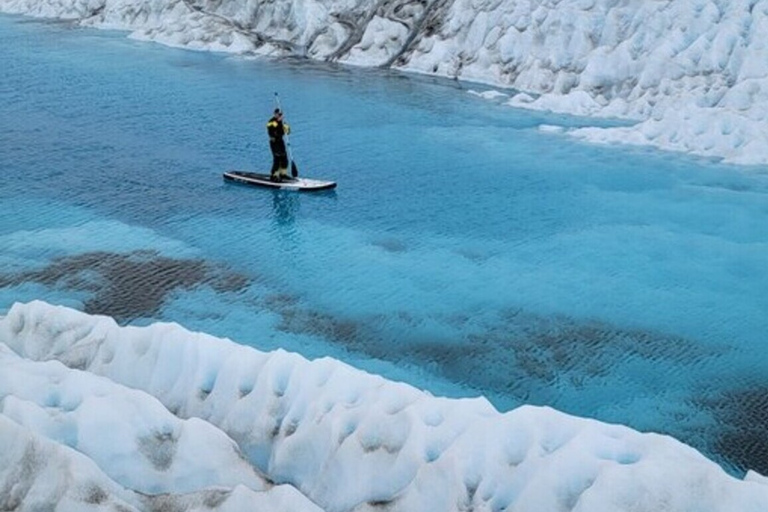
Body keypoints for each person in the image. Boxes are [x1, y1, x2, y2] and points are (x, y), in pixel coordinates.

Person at [266, 108, 291, 181]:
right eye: (277, 114)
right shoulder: (271, 122)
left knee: (284, 157)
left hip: (280, 141)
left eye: (280, 115)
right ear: (275, 114)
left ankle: (283, 174)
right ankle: (274, 176)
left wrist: (287, 128)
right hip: (274, 142)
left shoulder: (283, 123)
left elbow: (288, 132)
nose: (279, 116)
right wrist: (278, 121)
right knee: (277, 158)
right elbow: (270, 129)